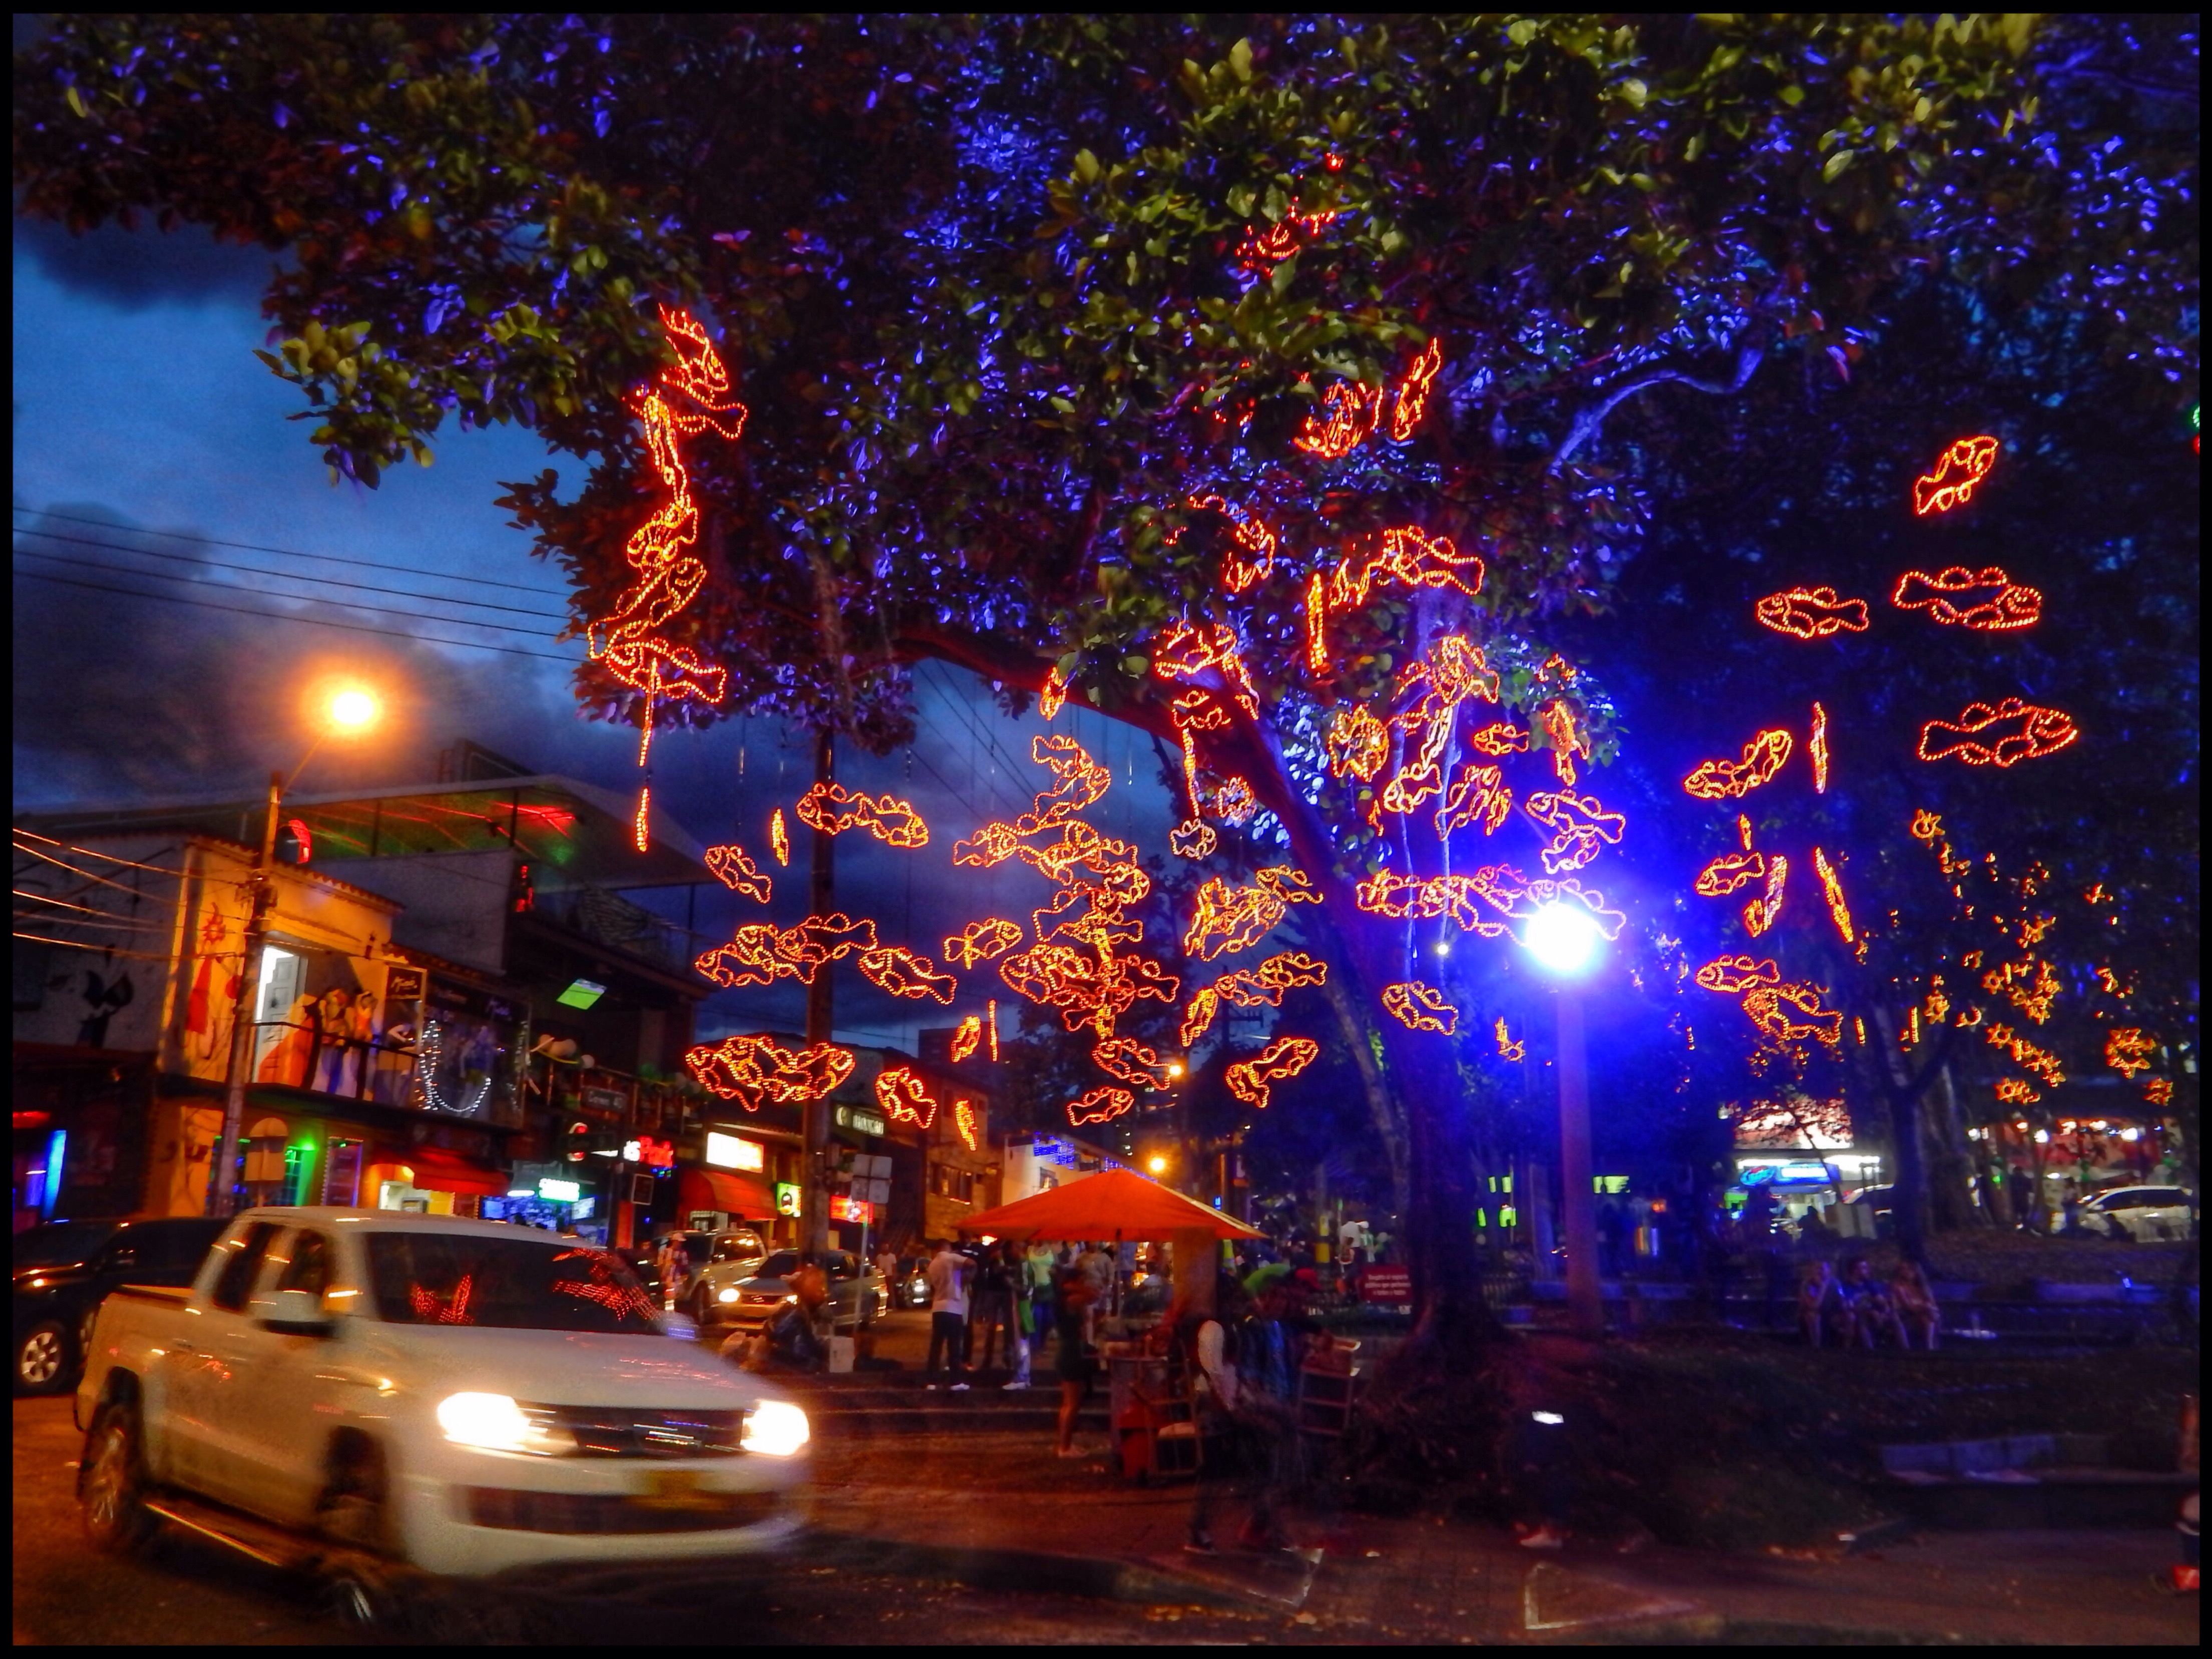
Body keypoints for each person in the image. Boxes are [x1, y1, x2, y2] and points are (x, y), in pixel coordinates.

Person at [1053, 1260, 1098, 1458]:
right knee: (1072, 1403)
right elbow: (1094, 1295)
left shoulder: (1065, 1301)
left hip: (1071, 1349)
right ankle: (1064, 1447)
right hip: (1070, 1351)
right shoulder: (1070, 1300)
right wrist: (1074, 1285)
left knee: (1070, 1402)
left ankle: (1066, 1444)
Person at [924, 1239, 971, 1390]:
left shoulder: (932, 1264)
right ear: (947, 1247)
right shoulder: (951, 1258)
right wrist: (967, 1278)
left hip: (938, 1308)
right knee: (954, 1346)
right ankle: (955, 1381)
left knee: (936, 1346)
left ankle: (931, 1380)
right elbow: (972, 1263)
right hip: (953, 1307)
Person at [969, 1239, 1016, 1374]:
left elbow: (1014, 1268)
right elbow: (982, 1265)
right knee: (991, 1326)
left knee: (1009, 1326)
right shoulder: (991, 1249)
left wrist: (1004, 1266)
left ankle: (1008, 1357)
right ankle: (988, 1358)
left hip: (1006, 1291)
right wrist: (992, 1258)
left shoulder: (1010, 1247)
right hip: (993, 1290)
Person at [1839, 1256, 1898, 1349]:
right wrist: (1869, 1311)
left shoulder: (1869, 1284)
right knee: (1862, 1319)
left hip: (1876, 1312)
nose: (1868, 1271)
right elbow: (1850, 1306)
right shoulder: (1845, 1287)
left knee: (1894, 1316)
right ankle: (1869, 1351)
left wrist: (1885, 1311)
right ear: (1855, 1270)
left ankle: (1906, 1351)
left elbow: (1881, 1301)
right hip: (1860, 1314)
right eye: (1864, 1268)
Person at [1890, 1259, 1941, 1350]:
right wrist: (1925, 1307)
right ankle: (1930, 1348)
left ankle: (1930, 1347)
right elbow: (1907, 1306)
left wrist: (1928, 1308)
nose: (1907, 1272)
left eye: (1910, 1269)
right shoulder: (1898, 1286)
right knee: (1930, 1316)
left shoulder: (1923, 1288)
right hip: (1908, 1315)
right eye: (1903, 1269)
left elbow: (1933, 1304)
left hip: (1925, 1315)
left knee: (1928, 1318)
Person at [1798, 1259, 1841, 1348]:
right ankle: (1815, 1348)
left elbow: (1841, 1299)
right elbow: (1813, 1306)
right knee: (1813, 1316)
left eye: (1822, 1269)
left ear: (1829, 1270)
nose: (1819, 1271)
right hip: (1815, 1312)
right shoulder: (1810, 1284)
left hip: (1832, 1312)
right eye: (1817, 1268)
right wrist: (1822, 1287)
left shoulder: (1835, 1283)